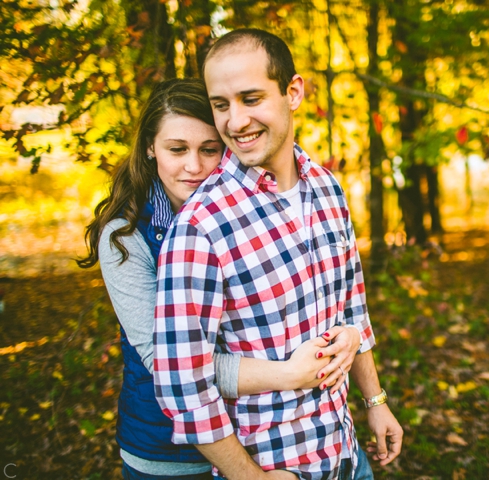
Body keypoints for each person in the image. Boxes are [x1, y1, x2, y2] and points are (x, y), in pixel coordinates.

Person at [78, 79, 360, 479]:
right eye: (177, 149)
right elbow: (167, 365)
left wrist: (343, 336)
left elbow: (295, 308)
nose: (193, 166)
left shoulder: (254, 210)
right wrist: (291, 374)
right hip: (171, 453)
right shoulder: (125, 238)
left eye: (209, 150)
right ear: (149, 149)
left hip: (259, 439)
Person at [153, 29, 403, 480]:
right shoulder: (200, 228)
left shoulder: (327, 188)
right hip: (275, 466)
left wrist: (375, 401)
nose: (235, 121)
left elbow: (352, 309)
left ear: (293, 92)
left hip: (347, 454)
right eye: (221, 105)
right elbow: (182, 385)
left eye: (251, 98)